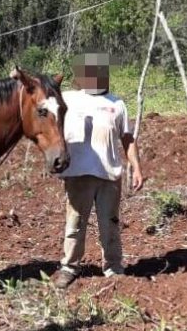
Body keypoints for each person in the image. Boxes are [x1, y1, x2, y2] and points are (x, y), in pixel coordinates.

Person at [50, 53, 144, 289]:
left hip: (109, 177)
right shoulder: (69, 99)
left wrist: (136, 167)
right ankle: (69, 267)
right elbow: (46, 103)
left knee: (110, 223)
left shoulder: (117, 104)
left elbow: (127, 139)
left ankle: (113, 267)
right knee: (74, 224)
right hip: (78, 174)